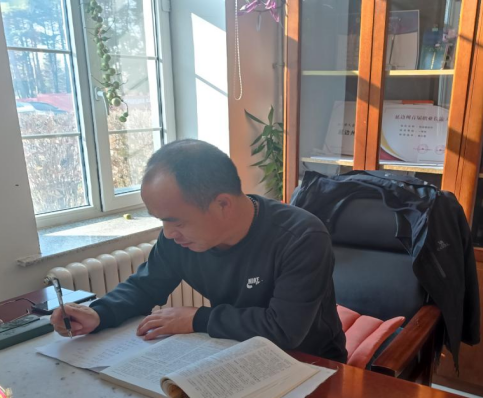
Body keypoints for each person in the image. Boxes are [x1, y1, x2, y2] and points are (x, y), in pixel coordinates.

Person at [51, 139, 346, 363]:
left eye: (176, 221)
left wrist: (196, 318)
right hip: (234, 351)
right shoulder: (179, 238)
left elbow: (284, 329)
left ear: (222, 204)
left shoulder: (302, 237)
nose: (168, 233)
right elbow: (145, 286)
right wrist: (98, 313)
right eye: (162, 221)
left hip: (309, 362)